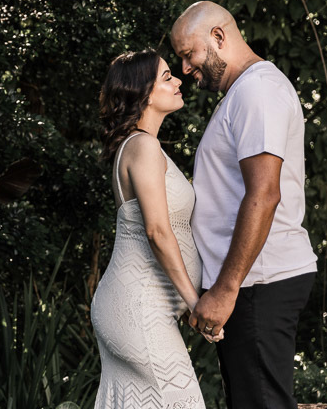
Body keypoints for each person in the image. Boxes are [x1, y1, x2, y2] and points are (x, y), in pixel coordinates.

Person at [170, 1, 317, 409]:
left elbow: (264, 194)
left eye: (188, 54)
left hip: (258, 284)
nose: (185, 68)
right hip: (251, 285)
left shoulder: (258, 91)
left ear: (218, 37)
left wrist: (226, 288)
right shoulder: (243, 94)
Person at [92, 49, 218, 409]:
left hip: (139, 307)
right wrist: (196, 306)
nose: (178, 80)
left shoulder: (141, 146)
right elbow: (158, 232)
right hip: (138, 310)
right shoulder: (143, 146)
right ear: (142, 92)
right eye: (166, 77)